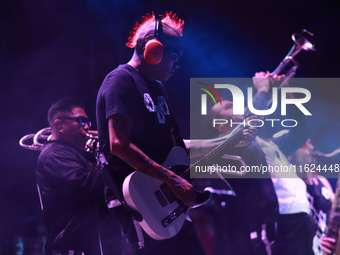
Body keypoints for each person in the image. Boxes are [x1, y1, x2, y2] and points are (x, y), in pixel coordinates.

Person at [96, 12, 257, 255]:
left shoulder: (157, 88)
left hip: (165, 204)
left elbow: (177, 148)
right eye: (175, 57)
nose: (177, 65)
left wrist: (226, 141)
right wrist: (172, 179)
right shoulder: (120, 81)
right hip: (137, 205)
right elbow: (118, 144)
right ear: (153, 50)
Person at [206, 72, 314, 255]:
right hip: (275, 220)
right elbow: (245, 128)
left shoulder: (269, 144)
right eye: (229, 107)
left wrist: (287, 92)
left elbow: (300, 133)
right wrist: (263, 90)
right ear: (218, 124)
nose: (237, 107)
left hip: (301, 215)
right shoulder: (225, 146)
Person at [36, 98, 120, 255]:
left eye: (88, 122)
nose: (87, 127)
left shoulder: (74, 155)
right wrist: (110, 154)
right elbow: (89, 187)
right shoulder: (53, 155)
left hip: (92, 246)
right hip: (72, 249)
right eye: (81, 121)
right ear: (59, 125)